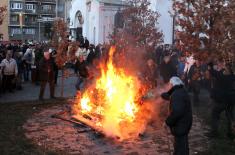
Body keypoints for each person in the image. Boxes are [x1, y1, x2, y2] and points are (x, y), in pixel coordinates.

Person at [161, 76, 192, 155]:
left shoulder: (177, 95)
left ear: (172, 84)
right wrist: (162, 95)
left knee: (181, 147)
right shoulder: (180, 90)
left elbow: (176, 112)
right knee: (179, 145)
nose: (169, 86)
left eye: (170, 85)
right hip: (184, 124)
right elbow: (169, 95)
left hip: (181, 125)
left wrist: (167, 122)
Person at [208, 62, 235, 138]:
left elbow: (212, 71)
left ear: (227, 69)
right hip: (231, 100)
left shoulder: (221, 76)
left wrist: (210, 64)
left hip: (223, 100)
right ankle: (230, 133)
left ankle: (214, 132)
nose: (223, 69)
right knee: (230, 116)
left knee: (215, 113)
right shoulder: (233, 77)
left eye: (225, 68)